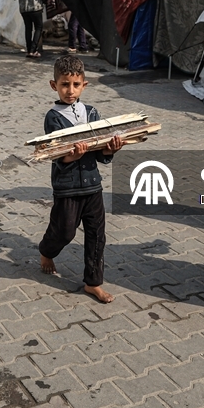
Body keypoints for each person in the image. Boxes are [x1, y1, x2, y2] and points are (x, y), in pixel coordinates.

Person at [38, 55, 124, 304]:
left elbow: (100, 154)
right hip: (67, 188)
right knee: (64, 232)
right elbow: (56, 154)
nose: (70, 90)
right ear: (54, 85)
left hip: (93, 186)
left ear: (84, 85)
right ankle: (46, 250)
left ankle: (93, 283)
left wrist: (111, 148)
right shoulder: (53, 117)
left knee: (97, 235)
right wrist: (71, 156)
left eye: (76, 85)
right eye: (64, 84)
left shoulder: (92, 113)